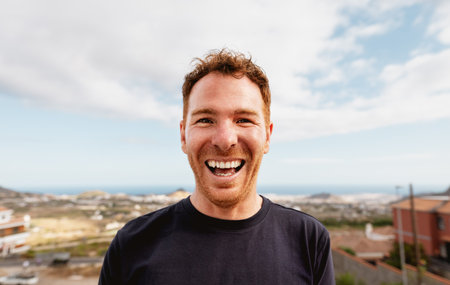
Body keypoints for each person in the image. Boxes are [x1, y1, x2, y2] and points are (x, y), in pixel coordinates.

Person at [99, 49, 335, 284]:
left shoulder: (308, 240)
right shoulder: (132, 244)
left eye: (243, 120)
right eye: (205, 120)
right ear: (183, 136)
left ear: (267, 137)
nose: (225, 139)